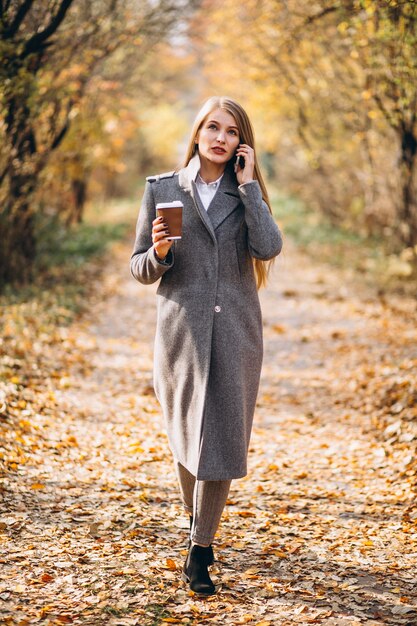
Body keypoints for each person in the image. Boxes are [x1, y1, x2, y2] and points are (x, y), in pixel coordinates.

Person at [130, 96, 283, 596]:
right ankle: (201, 526)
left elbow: (268, 247)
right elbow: (138, 269)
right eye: (213, 127)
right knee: (185, 439)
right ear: (198, 132)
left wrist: (249, 188)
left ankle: (199, 548)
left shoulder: (246, 194)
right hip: (180, 333)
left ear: (243, 144)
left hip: (237, 332)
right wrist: (159, 252)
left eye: (232, 132)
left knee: (219, 440)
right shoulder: (161, 189)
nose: (221, 137)